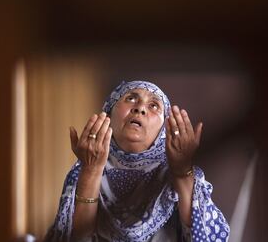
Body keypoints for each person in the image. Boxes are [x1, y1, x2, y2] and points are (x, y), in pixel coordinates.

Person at [44, 80, 230, 242]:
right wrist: (91, 171)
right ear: (108, 114)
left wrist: (182, 171)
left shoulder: (178, 173)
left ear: (164, 128)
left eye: (154, 105)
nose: (140, 108)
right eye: (131, 98)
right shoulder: (82, 171)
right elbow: (78, 239)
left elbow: (202, 237)